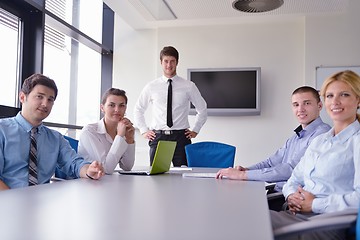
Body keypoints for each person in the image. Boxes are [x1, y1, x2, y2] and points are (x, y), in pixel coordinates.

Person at [270, 70, 360, 240]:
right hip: (295, 216)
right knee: (245, 216)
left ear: (358, 100)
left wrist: (314, 204)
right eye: (330, 96)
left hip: (324, 224)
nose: (335, 101)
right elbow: (294, 178)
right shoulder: (320, 141)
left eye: (344, 95)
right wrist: (291, 196)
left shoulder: (357, 142)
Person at [216, 86, 331, 192]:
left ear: (319, 106)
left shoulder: (322, 134)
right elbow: (271, 162)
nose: (300, 109)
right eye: (296, 105)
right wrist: (245, 170)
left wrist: (242, 176)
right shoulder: (296, 137)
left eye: (306, 103)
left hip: (291, 199)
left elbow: (290, 170)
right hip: (279, 192)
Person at [0, 73, 104, 190]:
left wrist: (88, 170)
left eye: (50, 99)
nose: (45, 104)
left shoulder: (56, 138)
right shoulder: (2, 130)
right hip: (7, 202)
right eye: (39, 96)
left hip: (43, 201)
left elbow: (74, 163)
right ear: (22, 97)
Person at [134, 46, 207, 167]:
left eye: (172, 61)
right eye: (166, 61)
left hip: (181, 138)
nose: (169, 65)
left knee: (183, 176)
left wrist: (196, 130)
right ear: (161, 63)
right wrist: (143, 130)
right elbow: (138, 109)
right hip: (159, 137)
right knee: (158, 177)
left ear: (177, 62)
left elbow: (202, 109)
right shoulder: (151, 86)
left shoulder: (189, 86)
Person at [78, 88, 135, 174]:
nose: (117, 110)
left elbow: (127, 167)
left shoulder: (121, 130)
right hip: (88, 183)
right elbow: (105, 169)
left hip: (106, 182)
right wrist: (119, 136)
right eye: (111, 105)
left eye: (121, 105)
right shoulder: (89, 132)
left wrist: (129, 139)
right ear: (102, 108)